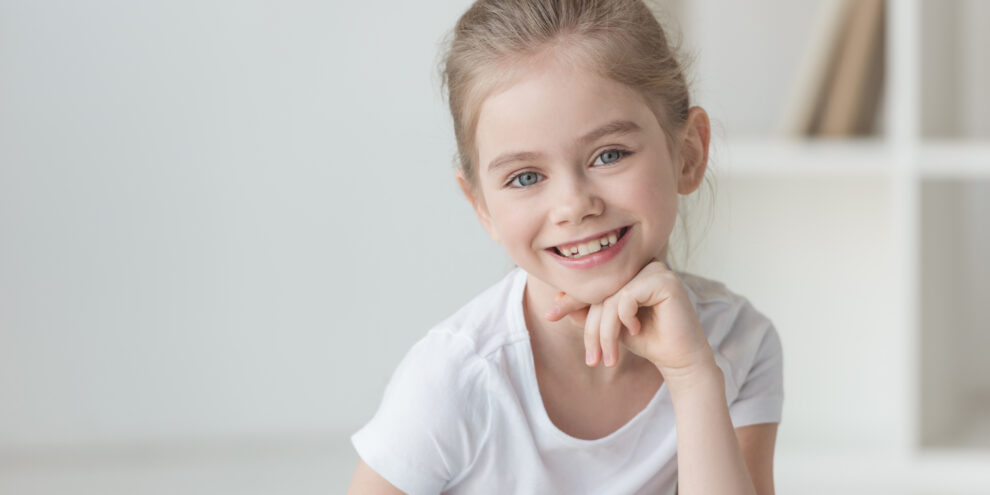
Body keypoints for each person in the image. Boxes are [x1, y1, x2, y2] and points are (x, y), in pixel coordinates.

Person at [347, 1, 783, 493]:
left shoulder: (736, 344)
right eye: (526, 176)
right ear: (481, 206)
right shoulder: (454, 380)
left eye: (609, 154)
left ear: (688, 153)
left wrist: (693, 378)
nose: (573, 205)